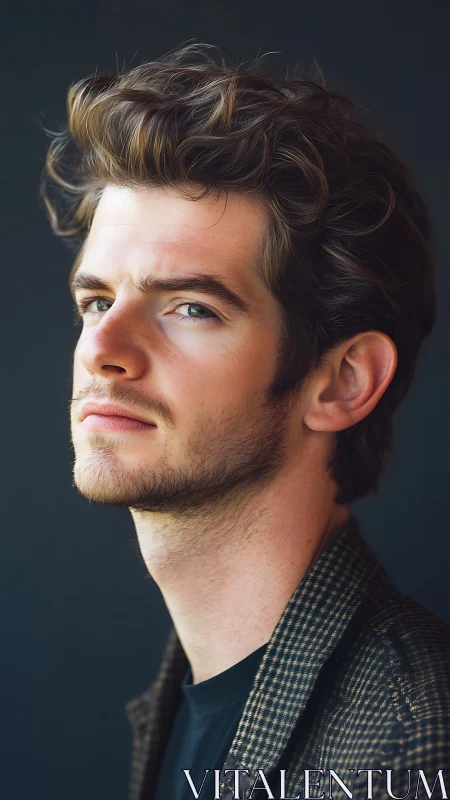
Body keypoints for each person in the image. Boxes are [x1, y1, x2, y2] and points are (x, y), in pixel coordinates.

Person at [40, 43, 450, 800]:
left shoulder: (412, 743)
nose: (101, 350)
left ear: (342, 382)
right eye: (96, 301)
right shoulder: (180, 701)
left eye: (191, 307)